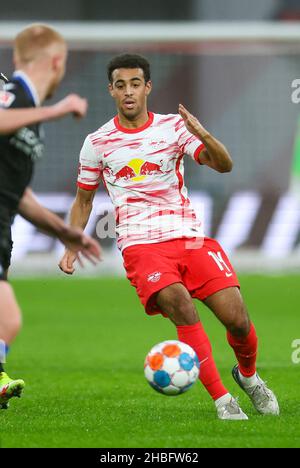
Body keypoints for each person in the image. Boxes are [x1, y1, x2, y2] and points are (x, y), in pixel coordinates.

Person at [59, 54, 279, 420]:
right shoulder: (97, 142)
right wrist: (70, 243)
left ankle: (249, 377)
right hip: (141, 245)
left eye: (134, 84)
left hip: (190, 238)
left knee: (237, 319)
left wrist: (202, 133)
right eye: (120, 85)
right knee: (180, 305)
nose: (128, 92)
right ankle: (223, 400)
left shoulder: (173, 128)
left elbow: (224, 165)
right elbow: (83, 199)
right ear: (110, 90)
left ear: (147, 87)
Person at [0, 24, 101, 409]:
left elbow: (17, 193)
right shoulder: (16, 95)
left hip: (3, 226)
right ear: (57, 62)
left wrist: (64, 232)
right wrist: (58, 110)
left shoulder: (25, 106)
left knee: (6, 320)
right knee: (7, 320)